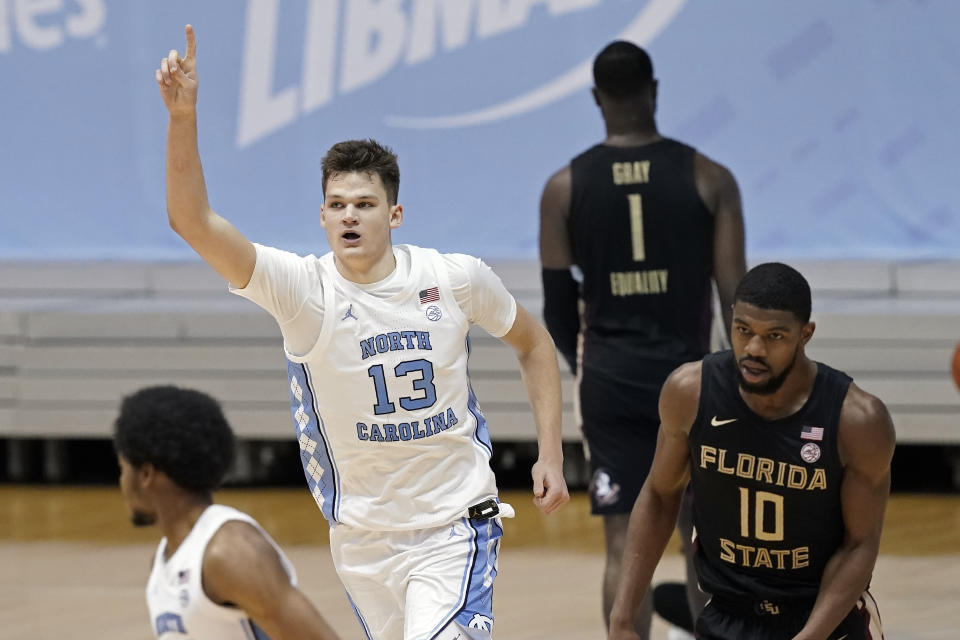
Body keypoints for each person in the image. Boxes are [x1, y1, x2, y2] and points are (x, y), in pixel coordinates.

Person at [155, 25, 569, 640]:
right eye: (338, 204)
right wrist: (183, 116)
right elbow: (192, 221)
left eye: (365, 204)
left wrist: (553, 454)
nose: (350, 215)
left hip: (455, 525)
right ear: (322, 215)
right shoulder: (302, 291)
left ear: (394, 214)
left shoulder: (454, 279)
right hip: (362, 539)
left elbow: (535, 344)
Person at [538, 40, 745, 637]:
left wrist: (593, 367)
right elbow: (736, 298)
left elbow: (557, 307)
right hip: (693, 382)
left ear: (597, 99)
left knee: (624, 545)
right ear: (654, 91)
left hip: (611, 379)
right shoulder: (711, 177)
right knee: (702, 539)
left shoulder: (563, 187)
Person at [609, 263, 895, 640]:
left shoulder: (857, 421)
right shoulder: (690, 392)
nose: (754, 349)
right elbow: (661, 497)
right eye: (743, 330)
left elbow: (859, 545)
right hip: (727, 615)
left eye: (774, 336)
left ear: (805, 334)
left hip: (823, 620)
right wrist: (623, 618)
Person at [113, 385, 341, 639]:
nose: (121, 481)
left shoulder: (229, 551)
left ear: (146, 474)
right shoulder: (165, 561)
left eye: (123, 468)